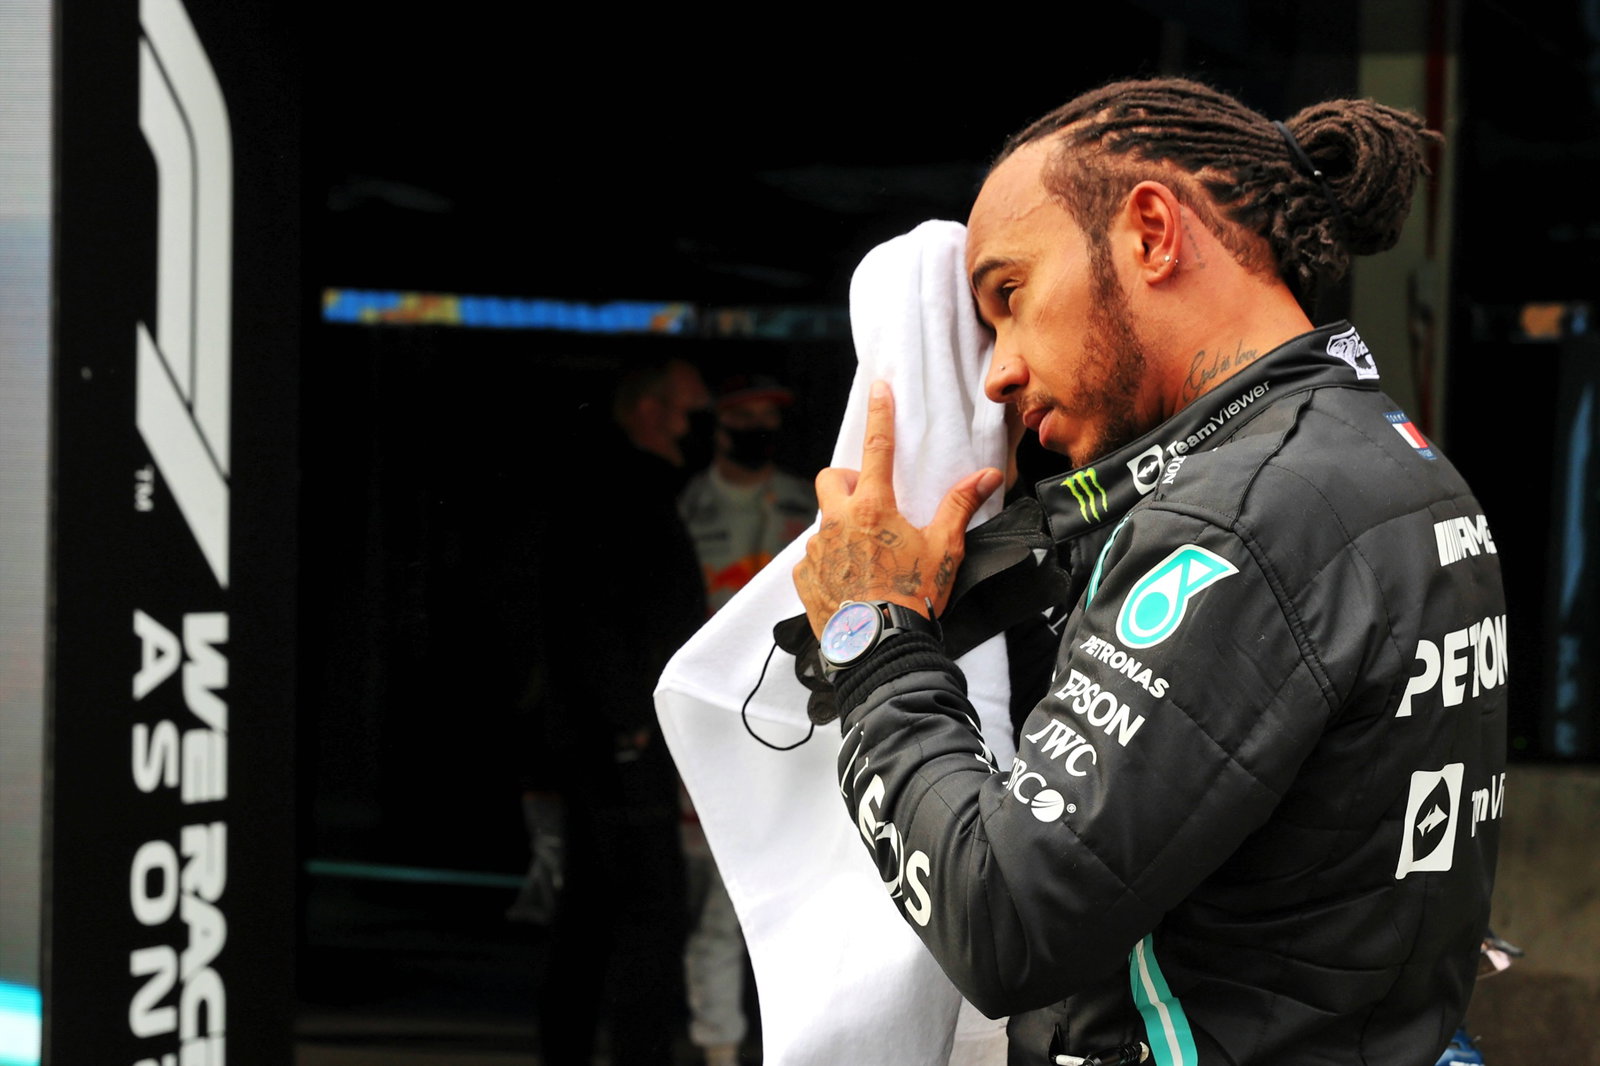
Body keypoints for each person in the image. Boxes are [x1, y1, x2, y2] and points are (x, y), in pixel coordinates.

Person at [792, 78, 1506, 1066]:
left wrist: (871, 637)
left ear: (1151, 233)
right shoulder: (1387, 455)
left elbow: (1003, 923)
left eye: (1010, 297)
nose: (998, 368)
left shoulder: (1242, 517)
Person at [519, 356, 712, 1065]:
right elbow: (595, 618)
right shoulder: (617, 491)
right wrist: (629, 724)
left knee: (597, 916)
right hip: (619, 744)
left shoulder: (627, 488)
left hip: (610, 738)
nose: (703, 430)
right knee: (644, 920)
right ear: (651, 412)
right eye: (694, 414)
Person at [674, 374, 816, 1066]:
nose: (760, 426)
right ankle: (721, 1053)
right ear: (720, 425)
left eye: (770, 415)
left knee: (801, 902)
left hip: (798, 727)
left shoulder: (804, 501)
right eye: (746, 416)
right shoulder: (684, 509)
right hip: (709, 731)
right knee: (718, 914)